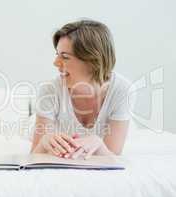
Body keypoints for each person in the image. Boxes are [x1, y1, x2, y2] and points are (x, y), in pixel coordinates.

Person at [31, 19, 133, 159]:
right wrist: (43, 142)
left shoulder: (122, 90)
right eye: (57, 55)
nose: (55, 63)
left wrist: (99, 143)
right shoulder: (50, 90)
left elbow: (113, 155)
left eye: (65, 57)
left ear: (92, 61)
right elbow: (34, 154)